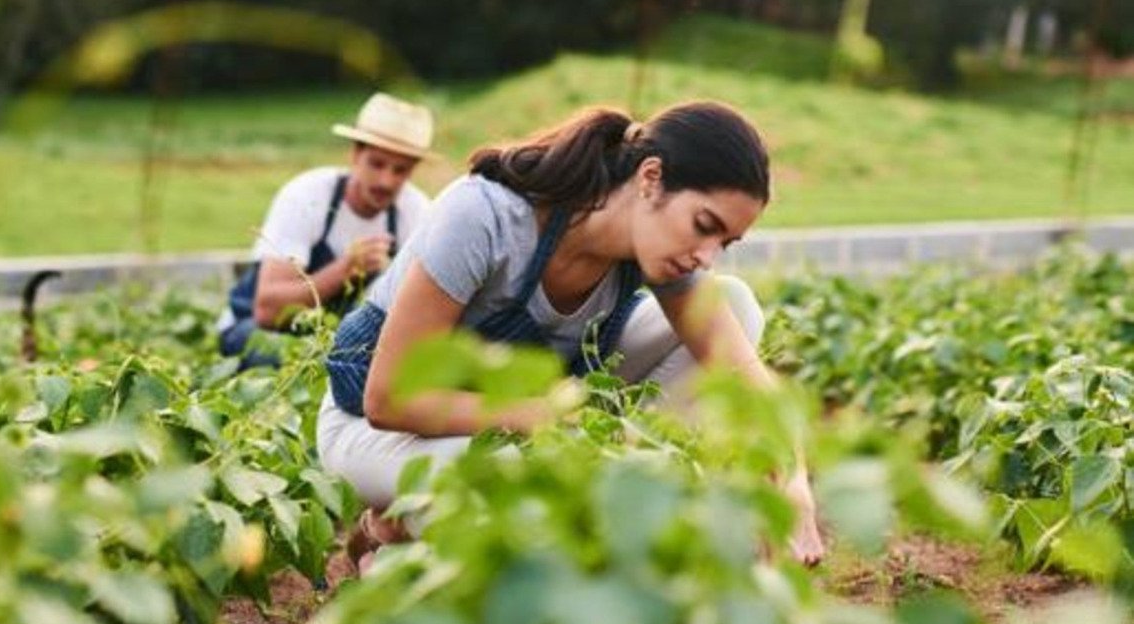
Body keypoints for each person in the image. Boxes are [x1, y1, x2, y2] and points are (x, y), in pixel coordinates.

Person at [317, 99, 824, 567]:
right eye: (704, 225)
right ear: (650, 178)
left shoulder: (669, 253)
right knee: (515, 480)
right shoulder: (486, 217)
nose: (705, 254)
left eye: (725, 242)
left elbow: (749, 377)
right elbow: (386, 400)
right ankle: (389, 546)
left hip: (516, 422)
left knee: (733, 303)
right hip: (374, 427)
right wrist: (555, 421)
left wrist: (796, 482)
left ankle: (623, 501)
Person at [217, 92, 434, 363]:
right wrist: (345, 270)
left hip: (334, 342)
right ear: (355, 154)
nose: (386, 181)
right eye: (376, 164)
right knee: (294, 359)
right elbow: (267, 310)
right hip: (258, 329)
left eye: (400, 170)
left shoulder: (417, 213)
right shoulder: (307, 196)